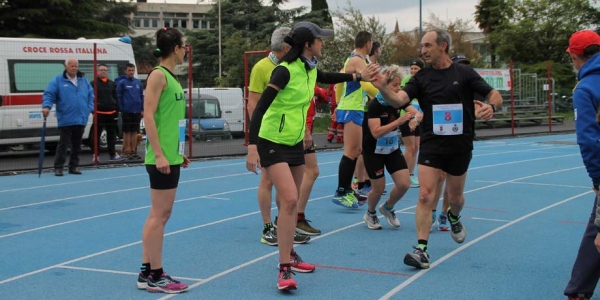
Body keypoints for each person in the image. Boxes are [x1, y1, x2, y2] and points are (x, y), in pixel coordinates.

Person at [246, 21, 378, 290]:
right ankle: (283, 270)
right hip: (271, 140)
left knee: (290, 205)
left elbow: (327, 77)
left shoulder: (309, 68)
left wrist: (357, 78)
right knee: (291, 198)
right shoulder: (283, 72)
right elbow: (259, 109)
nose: (323, 43)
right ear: (307, 44)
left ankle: (289, 255)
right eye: (320, 39)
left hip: (294, 141)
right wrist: (251, 146)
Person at [372, 28, 502, 269]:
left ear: (443, 46)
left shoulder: (464, 73)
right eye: (422, 46)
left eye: (427, 46)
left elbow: (494, 94)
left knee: (456, 198)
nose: (422, 51)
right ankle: (421, 250)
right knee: (424, 194)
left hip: (460, 145)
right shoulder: (421, 78)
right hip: (432, 145)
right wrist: (382, 86)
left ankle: (453, 216)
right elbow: (400, 100)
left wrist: (492, 106)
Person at [247, 27, 312, 245]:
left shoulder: (297, 67)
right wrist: (254, 141)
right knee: (267, 181)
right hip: (270, 134)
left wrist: (304, 130)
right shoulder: (262, 68)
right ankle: (268, 227)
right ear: (286, 47)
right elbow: (254, 104)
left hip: (288, 134)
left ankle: (283, 224)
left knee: (289, 188)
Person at [137, 27, 190, 294]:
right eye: (184, 46)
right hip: (160, 158)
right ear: (176, 48)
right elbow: (148, 116)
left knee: (159, 214)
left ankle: (147, 271)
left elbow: (170, 120)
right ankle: (156, 275)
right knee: (160, 215)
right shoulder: (158, 75)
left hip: (171, 156)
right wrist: (159, 154)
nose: (186, 51)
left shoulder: (171, 77)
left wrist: (179, 152)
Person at [564, 29, 600, 300]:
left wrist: (597, 179)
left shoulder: (585, 88)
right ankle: (578, 290)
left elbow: (588, 139)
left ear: (577, 56)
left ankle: (578, 292)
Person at [361, 65, 417, 230]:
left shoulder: (397, 101)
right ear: (385, 85)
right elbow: (376, 132)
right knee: (378, 189)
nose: (398, 89)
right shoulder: (375, 105)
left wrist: (416, 119)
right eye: (395, 85)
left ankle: (388, 207)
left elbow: (417, 113)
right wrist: (398, 122)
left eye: (400, 85)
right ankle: (370, 213)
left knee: (404, 184)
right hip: (374, 151)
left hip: (392, 149)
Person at [333, 31, 379, 208]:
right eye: (372, 43)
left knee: (357, 149)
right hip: (351, 108)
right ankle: (342, 191)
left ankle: (347, 189)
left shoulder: (360, 60)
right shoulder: (356, 60)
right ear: (368, 43)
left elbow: (340, 83)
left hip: (355, 107)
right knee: (351, 151)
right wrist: (386, 97)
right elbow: (368, 84)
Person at [42, 58, 94, 176]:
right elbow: (49, 94)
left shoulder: (83, 80)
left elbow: (91, 94)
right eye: (72, 66)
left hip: (81, 117)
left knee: (77, 145)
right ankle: (59, 167)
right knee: (63, 144)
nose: (74, 68)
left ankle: (73, 167)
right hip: (66, 118)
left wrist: (89, 108)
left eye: (76, 66)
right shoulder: (58, 80)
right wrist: (46, 106)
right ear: (66, 67)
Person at [400, 59, 424, 189]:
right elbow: (402, 99)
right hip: (407, 117)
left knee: (416, 147)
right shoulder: (408, 80)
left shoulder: (424, 80)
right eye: (412, 68)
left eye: (416, 68)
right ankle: (403, 175)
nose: (414, 71)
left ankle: (410, 174)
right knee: (410, 147)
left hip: (419, 117)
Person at [94, 63, 123, 161]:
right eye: (101, 70)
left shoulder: (112, 83)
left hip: (111, 113)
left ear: (107, 72)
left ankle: (112, 154)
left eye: (105, 70)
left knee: (112, 135)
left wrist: (117, 109)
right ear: (98, 71)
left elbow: (116, 97)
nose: (103, 71)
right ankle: (96, 155)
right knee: (96, 135)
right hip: (99, 113)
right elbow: (90, 98)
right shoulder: (93, 83)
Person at [117, 63, 144, 160]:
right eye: (129, 70)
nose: (131, 72)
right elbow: (119, 97)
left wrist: (142, 109)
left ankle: (133, 150)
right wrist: (122, 109)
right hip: (127, 111)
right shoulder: (122, 83)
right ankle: (126, 151)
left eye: (132, 70)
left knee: (134, 131)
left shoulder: (138, 82)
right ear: (125, 71)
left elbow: (141, 96)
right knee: (127, 132)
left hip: (137, 111)